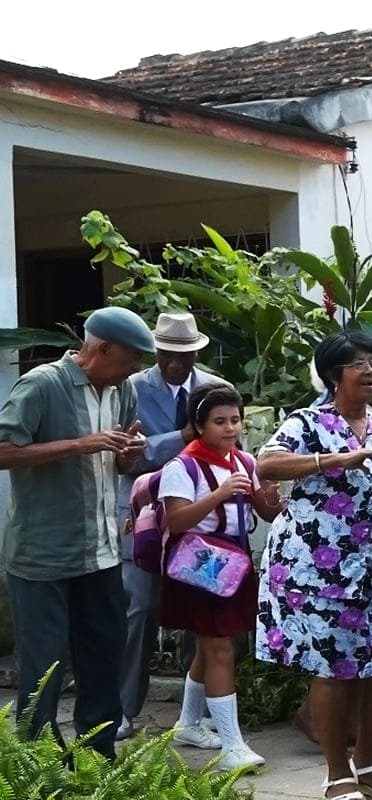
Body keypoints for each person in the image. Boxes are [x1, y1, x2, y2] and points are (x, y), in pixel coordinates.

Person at [257, 330, 372, 800]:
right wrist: (333, 459)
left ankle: (367, 764)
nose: (370, 370)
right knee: (333, 666)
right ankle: (336, 772)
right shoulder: (306, 421)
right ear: (332, 375)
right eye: (357, 363)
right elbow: (267, 466)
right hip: (312, 564)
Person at [0, 307, 151, 758]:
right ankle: (38, 760)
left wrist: (130, 452)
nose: (136, 370)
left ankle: (95, 756)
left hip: (102, 553)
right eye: (130, 359)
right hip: (43, 557)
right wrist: (79, 444)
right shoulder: (42, 385)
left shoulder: (122, 392)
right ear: (101, 349)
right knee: (44, 668)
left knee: (103, 658)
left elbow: (120, 463)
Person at [158, 383, 282, 772]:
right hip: (200, 566)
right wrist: (220, 493)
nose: (230, 429)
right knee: (221, 648)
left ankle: (188, 724)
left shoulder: (244, 461)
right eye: (219, 422)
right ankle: (232, 746)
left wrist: (273, 491)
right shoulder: (182, 466)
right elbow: (176, 520)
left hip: (235, 562)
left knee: (212, 645)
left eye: (236, 420)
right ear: (198, 425)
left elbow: (268, 514)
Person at [119, 311, 227, 741]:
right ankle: (123, 710)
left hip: (201, 520)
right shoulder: (131, 389)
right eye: (167, 355)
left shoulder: (215, 388)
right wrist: (181, 438)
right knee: (140, 611)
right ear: (156, 351)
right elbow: (128, 457)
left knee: (198, 617)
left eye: (184, 355)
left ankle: (193, 718)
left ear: (197, 351)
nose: (175, 363)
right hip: (146, 521)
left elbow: (227, 448)